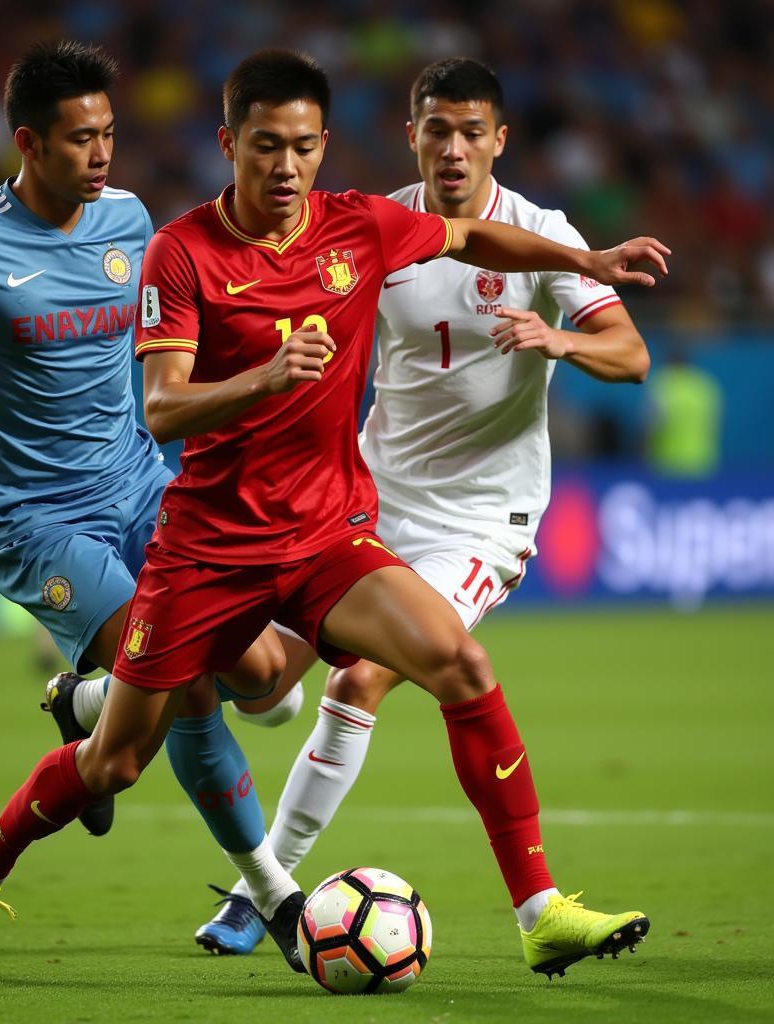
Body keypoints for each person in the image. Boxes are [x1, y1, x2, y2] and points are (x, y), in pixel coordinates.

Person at [0, 48, 667, 983]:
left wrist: (583, 259)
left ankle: (541, 911)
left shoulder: (360, 228)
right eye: (267, 147)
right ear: (229, 143)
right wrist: (267, 377)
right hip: (206, 552)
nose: (286, 169)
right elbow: (164, 407)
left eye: (305, 148)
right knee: (114, 764)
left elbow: (472, 239)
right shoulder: (181, 252)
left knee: (456, 663)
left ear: (324, 149)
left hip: (327, 536)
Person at [195, 56, 655, 965]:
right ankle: (104, 693)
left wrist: (558, 336)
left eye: (471, 131)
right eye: (436, 129)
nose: (453, 148)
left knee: (360, 677)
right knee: (259, 677)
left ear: (499, 140)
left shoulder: (541, 233)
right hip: (365, 500)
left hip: (482, 519)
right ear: (412, 135)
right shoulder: (383, 228)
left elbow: (631, 353)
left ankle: (270, 898)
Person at [0, 40, 287, 979]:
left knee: (265, 680)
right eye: (81, 139)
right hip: (35, 518)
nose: (102, 156)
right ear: (28, 143)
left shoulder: (128, 219)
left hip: (140, 486)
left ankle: (86, 699)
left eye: (110, 135)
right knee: (186, 687)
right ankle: (270, 890)